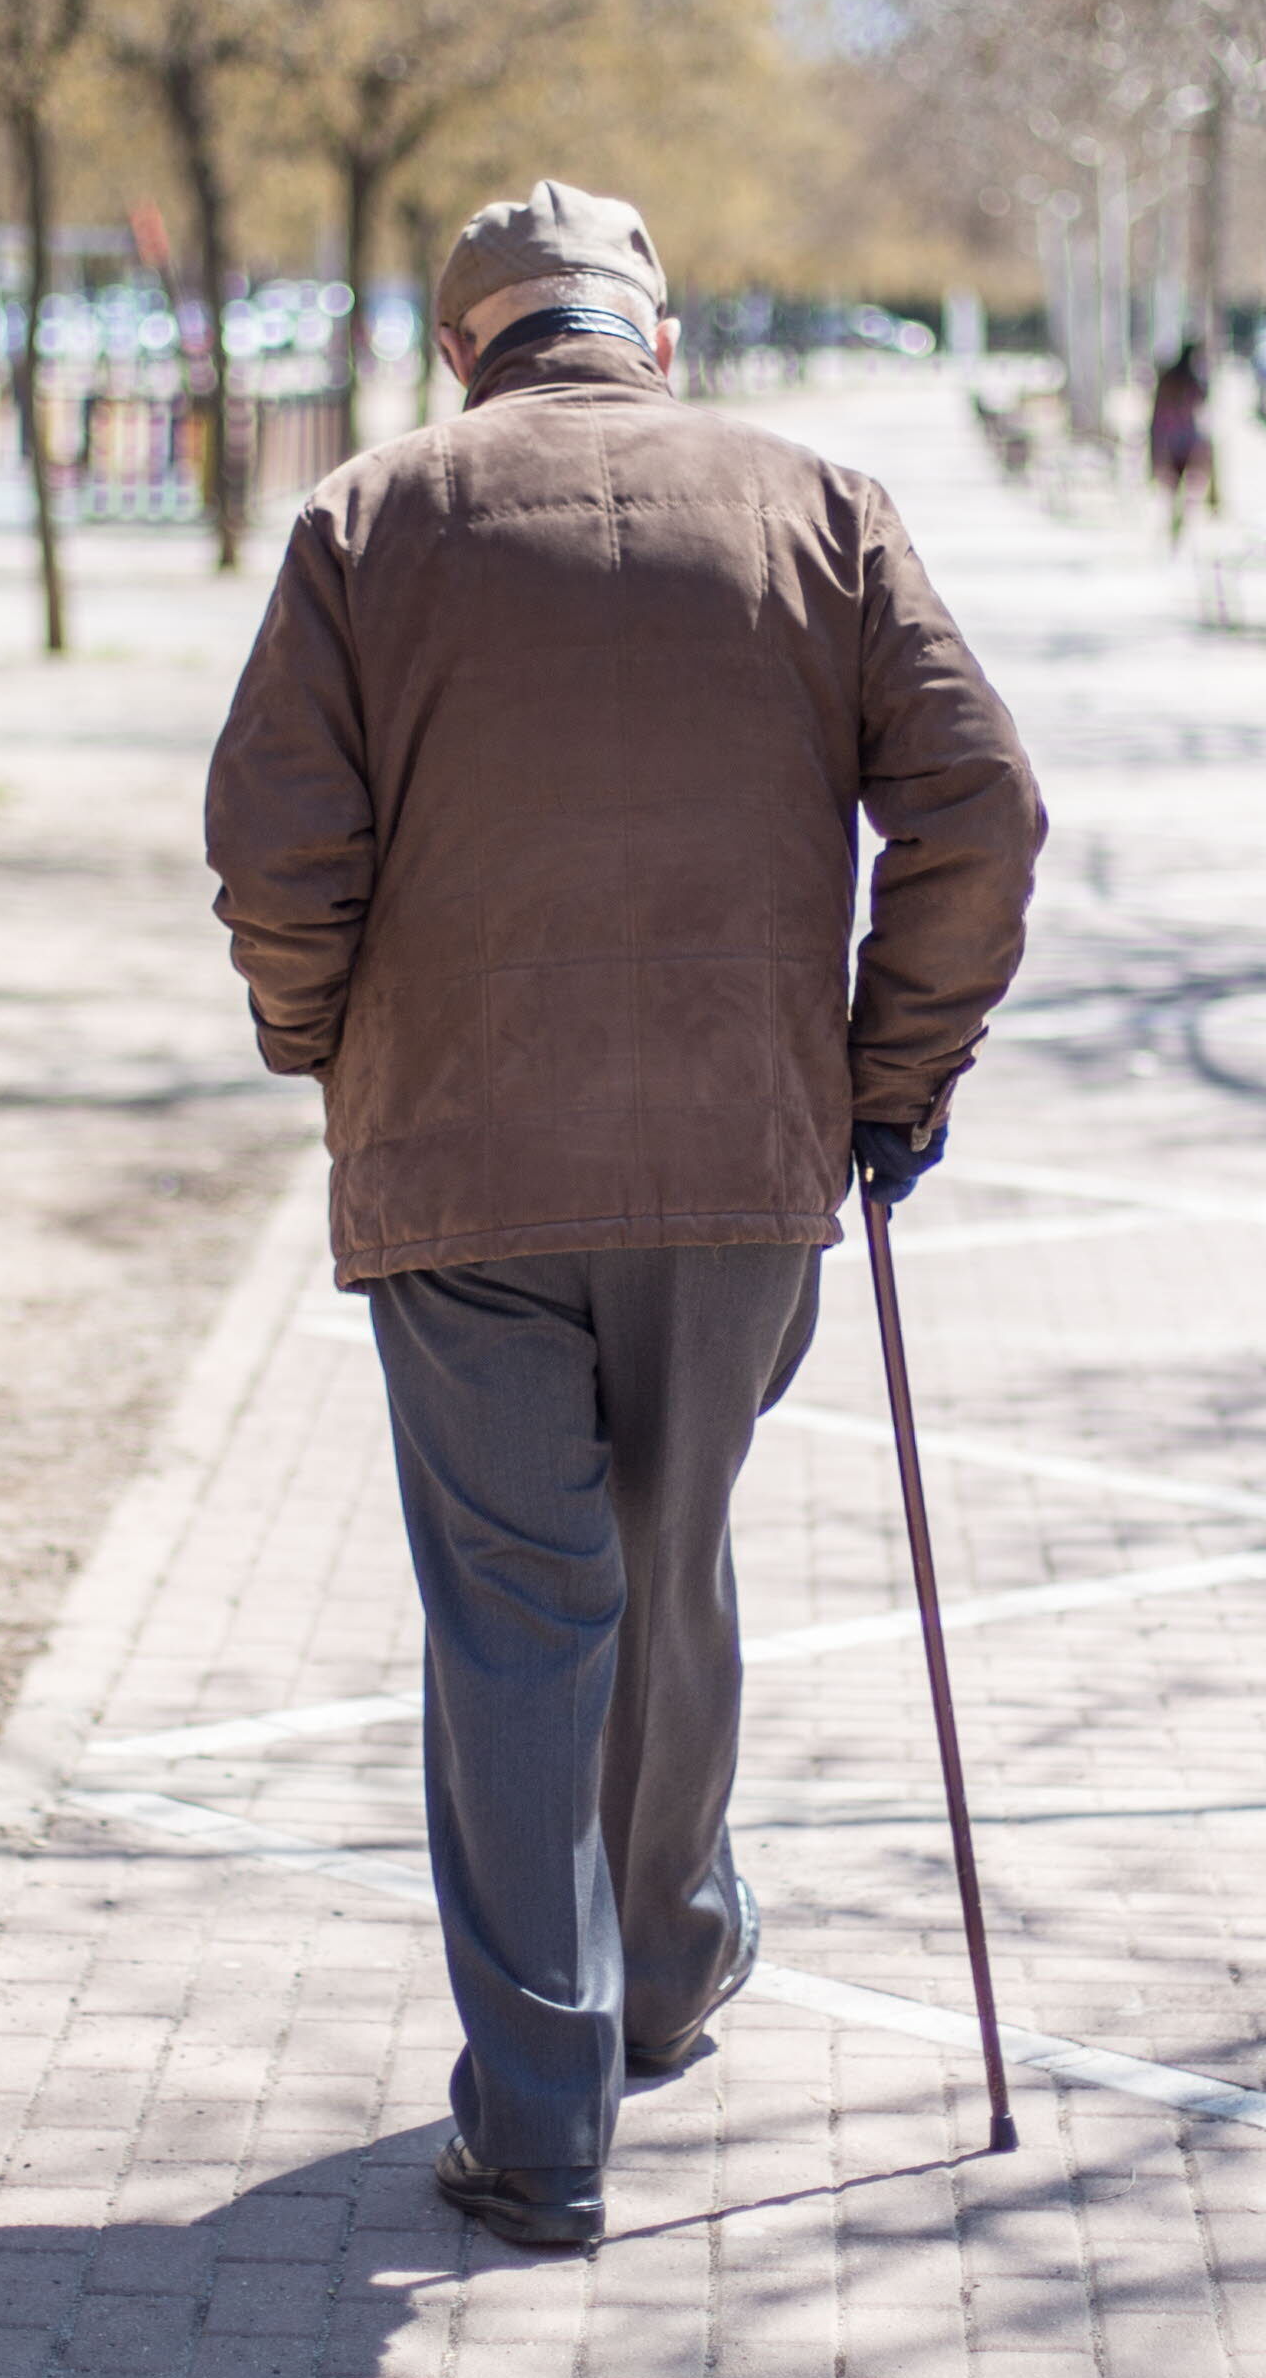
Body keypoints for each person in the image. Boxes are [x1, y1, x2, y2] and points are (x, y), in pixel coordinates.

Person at [203, 182, 1047, 2249]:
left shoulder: (366, 521)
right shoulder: (815, 503)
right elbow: (982, 805)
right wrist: (885, 1070)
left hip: (460, 1160)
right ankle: (666, 1970)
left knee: (517, 1612)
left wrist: (327, 1041)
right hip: (741, 1161)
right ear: (650, 334)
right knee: (668, 1559)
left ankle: (542, 2107)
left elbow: (273, 844)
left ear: (459, 349)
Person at [1147, 342, 1215, 544]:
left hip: (1173, 439)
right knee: (1182, 485)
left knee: (1175, 486)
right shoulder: (1188, 381)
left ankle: (1175, 522)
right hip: (1184, 440)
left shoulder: (1173, 379)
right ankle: (1176, 523)